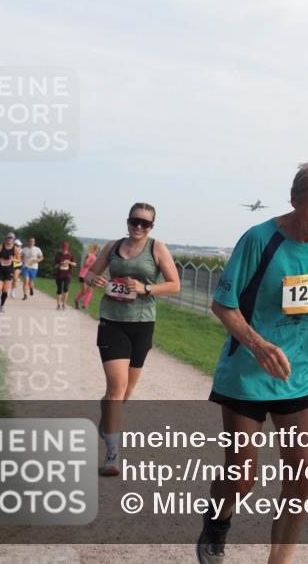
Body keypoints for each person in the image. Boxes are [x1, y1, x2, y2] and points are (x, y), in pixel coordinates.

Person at [197, 161, 308, 564]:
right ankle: (218, 520)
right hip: (246, 375)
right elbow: (223, 304)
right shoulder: (258, 239)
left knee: (302, 478)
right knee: (243, 476)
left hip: (298, 376)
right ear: (294, 200)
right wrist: (258, 345)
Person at [84, 202, 180, 475]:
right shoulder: (113, 246)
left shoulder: (157, 248)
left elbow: (174, 284)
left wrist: (145, 287)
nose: (138, 226)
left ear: (151, 226)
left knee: (125, 392)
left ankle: (107, 421)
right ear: (127, 221)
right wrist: (94, 280)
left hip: (142, 323)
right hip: (112, 321)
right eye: (134, 221)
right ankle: (112, 456)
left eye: (144, 223)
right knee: (117, 387)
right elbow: (91, 273)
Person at [0, 233, 17, 312]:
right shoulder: (0, 247)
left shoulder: (15, 249)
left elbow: (19, 260)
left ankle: (2, 305)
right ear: (5, 238)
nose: (9, 239)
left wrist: (12, 260)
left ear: (13, 239)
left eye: (11, 238)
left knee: (5, 290)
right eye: (8, 237)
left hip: (9, 271)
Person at [74, 243, 101, 310]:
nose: (98, 251)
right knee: (84, 291)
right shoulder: (90, 255)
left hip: (90, 276)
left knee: (90, 290)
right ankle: (77, 300)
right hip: (83, 275)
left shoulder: (95, 257)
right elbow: (85, 264)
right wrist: (93, 263)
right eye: (97, 250)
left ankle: (85, 305)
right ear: (95, 249)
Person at [52, 242, 77, 310]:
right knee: (59, 289)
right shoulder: (58, 255)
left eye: (65, 248)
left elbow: (75, 264)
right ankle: (58, 305)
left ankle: (64, 304)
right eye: (63, 248)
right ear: (62, 248)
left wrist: (69, 262)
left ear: (67, 248)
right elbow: (55, 266)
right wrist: (60, 264)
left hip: (68, 274)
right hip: (59, 274)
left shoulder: (71, 255)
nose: (64, 249)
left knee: (66, 288)